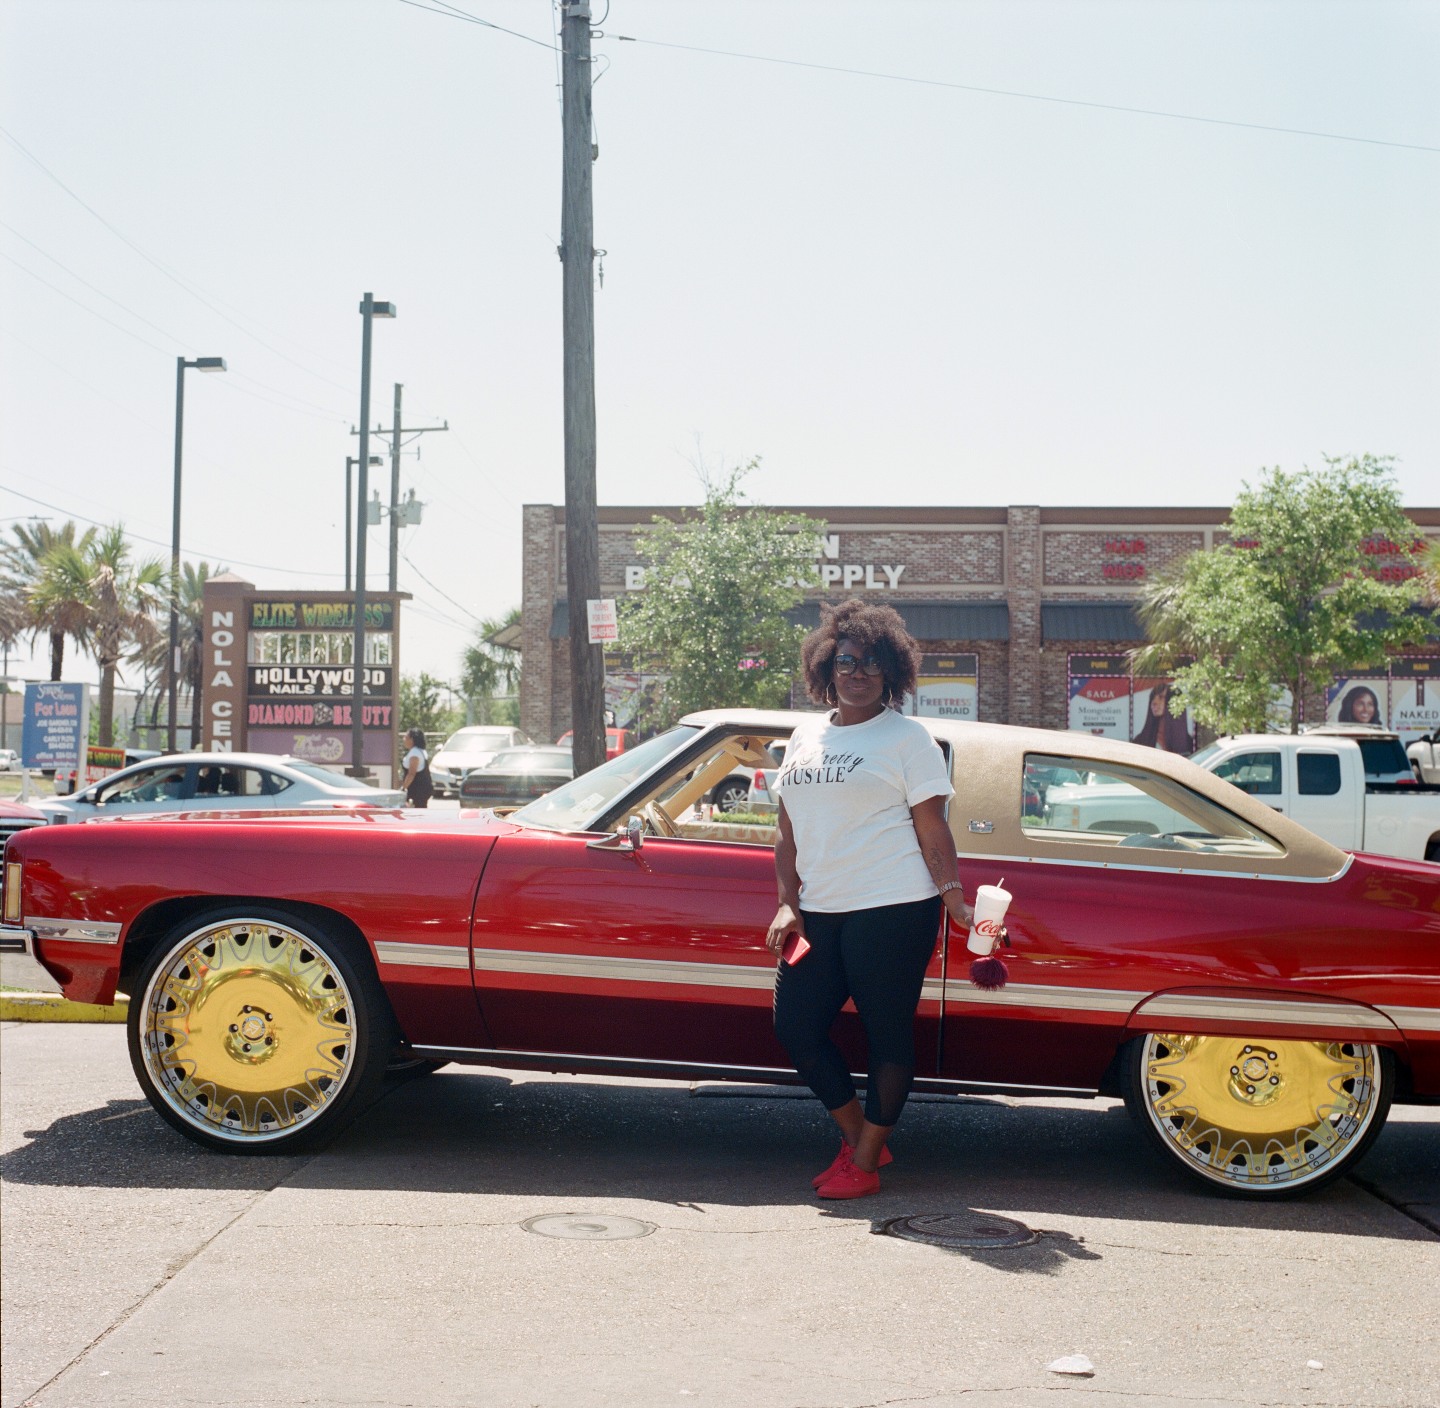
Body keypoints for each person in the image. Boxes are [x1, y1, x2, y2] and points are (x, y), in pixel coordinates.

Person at [766, 599, 973, 1201]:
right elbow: (786, 829)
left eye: (872, 664)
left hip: (894, 906)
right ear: (827, 667)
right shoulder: (805, 733)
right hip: (820, 909)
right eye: (846, 661)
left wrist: (954, 900)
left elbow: (932, 828)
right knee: (796, 1026)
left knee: (887, 1036)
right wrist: (788, 901)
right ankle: (864, 1136)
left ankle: (862, 1164)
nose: (857, 672)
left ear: (892, 674)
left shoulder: (909, 739)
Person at [1132, 681, 1191, 752]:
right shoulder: (1141, 741)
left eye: (1161, 697)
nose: (1154, 702)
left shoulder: (1189, 743)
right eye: (1152, 698)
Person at [400, 727, 433, 808]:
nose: (403, 739)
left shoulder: (415, 753)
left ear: (412, 739)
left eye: (406, 737)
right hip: (423, 789)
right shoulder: (421, 751)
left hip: (418, 791)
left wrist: (403, 788)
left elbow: (411, 774)